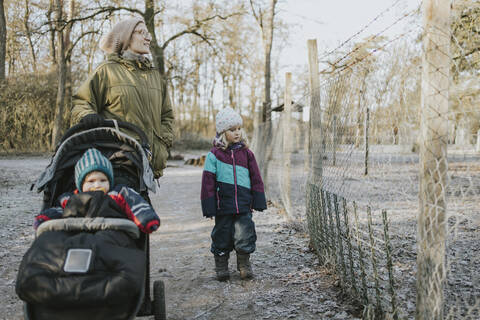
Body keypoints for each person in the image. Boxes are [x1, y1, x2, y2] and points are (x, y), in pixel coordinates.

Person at [71, 17, 174, 180]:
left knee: (141, 206)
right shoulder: (107, 71)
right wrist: (86, 116)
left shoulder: (156, 77)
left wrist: (163, 143)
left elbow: (167, 116)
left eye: (148, 33)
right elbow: (81, 102)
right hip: (118, 163)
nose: (148, 37)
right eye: (141, 32)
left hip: (147, 167)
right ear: (126, 37)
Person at [200, 107, 267, 281]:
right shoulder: (214, 156)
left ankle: (244, 264)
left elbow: (256, 178)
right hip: (223, 206)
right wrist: (209, 206)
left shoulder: (247, 154)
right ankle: (221, 266)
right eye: (232, 130)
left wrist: (258, 199)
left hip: (244, 204)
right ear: (223, 132)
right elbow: (207, 182)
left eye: (239, 129)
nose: (237, 133)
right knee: (221, 235)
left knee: (245, 234)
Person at [34, 148, 160, 234]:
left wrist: (146, 219)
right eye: (91, 181)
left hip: (112, 232)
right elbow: (58, 211)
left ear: (110, 182)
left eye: (103, 180)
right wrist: (45, 218)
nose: (97, 185)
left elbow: (136, 204)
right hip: (77, 233)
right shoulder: (71, 198)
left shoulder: (118, 193)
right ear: (80, 185)